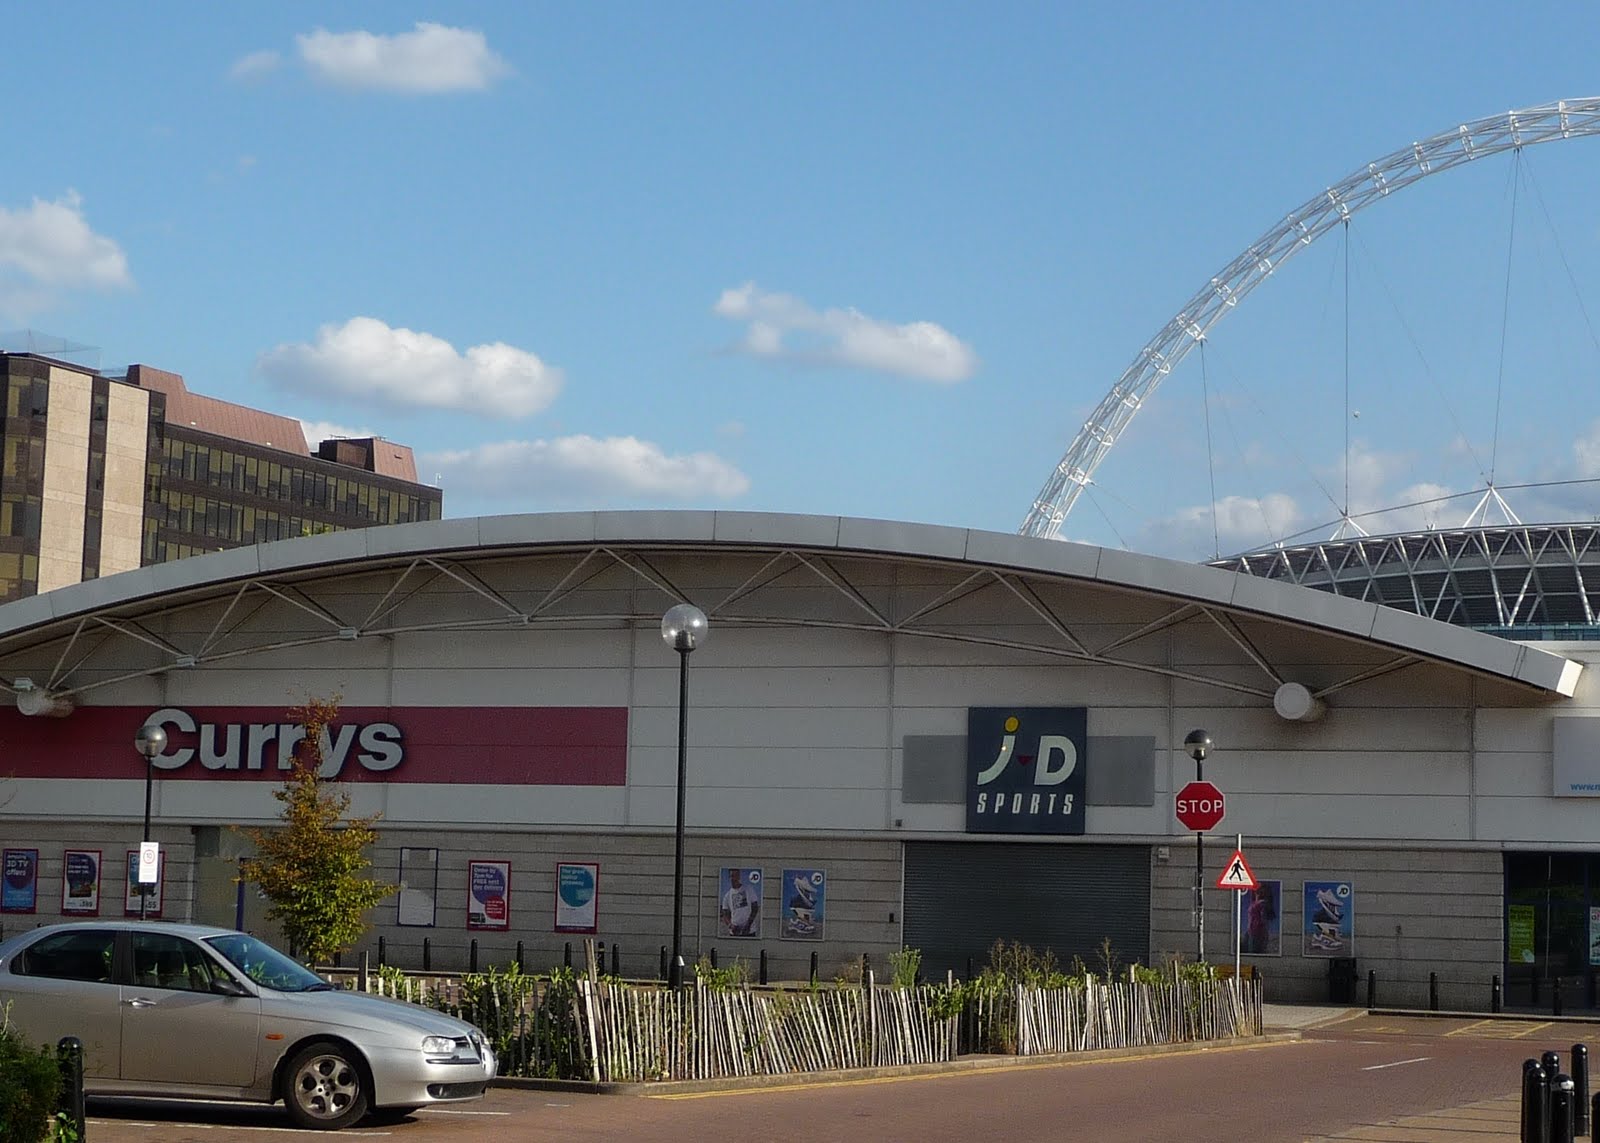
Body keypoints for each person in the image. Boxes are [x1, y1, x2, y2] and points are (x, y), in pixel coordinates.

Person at [720, 869, 760, 936]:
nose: (733, 878)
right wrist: (731, 925)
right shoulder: (727, 896)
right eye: (732, 876)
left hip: (749, 931)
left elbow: (755, 907)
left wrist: (748, 924)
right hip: (735, 933)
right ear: (729, 877)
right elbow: (725, 914)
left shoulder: (748, 889)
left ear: (739, 877)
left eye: (736, 876)